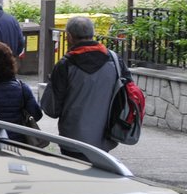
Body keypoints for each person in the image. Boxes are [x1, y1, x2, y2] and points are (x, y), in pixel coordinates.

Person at [41, 15, 129, 154]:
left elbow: (52, 109)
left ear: (69, 36)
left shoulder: (65, 65)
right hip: (104, 138)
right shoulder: (114, 59)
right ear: (92, 34)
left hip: (72, 139)